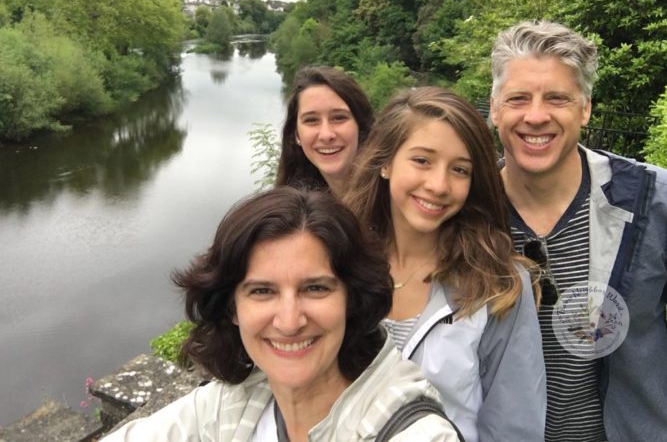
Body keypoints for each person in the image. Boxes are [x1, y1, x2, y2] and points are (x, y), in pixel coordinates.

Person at [102, 187, 462, 441]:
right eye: (262, 291)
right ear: (232, 309)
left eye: (315, 288)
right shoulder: (237, 403)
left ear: (351, 299)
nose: (289, 321)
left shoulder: (411, 432)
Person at [489, 20, 667, 441]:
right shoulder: (465, 213)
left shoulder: (651, 201)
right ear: (495, 107)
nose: (536, 116)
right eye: (518, 99)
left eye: (557, 98)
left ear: (585, 108)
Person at [344, 86, 546, 442]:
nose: (438, 185)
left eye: (459, 170)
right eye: (422, 160)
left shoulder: (497, 284)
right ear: (387, 162)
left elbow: (514, 428)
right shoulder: (337, 265)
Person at [275, 66, 374, 196]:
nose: (326, 135)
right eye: (311, 120)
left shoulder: (391, 200)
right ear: (296, 134)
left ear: (361, 125)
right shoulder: (296, 206)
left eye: (339, 118)